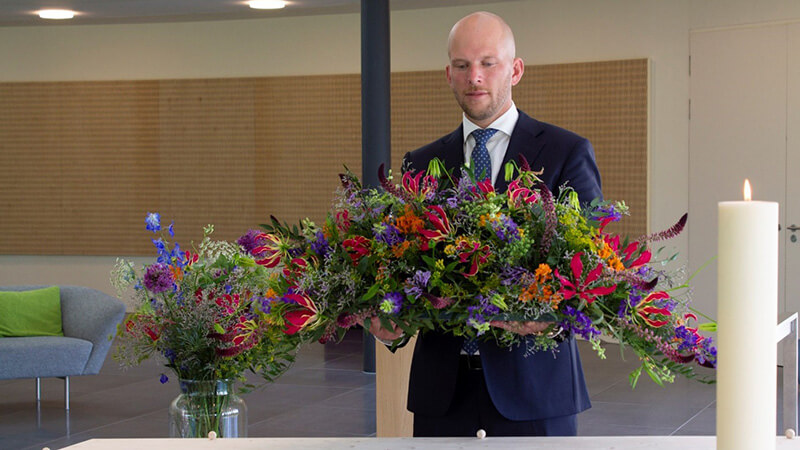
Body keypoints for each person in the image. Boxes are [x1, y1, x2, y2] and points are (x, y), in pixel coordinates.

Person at [366, 11, 602, 437]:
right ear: (448, 75)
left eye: (488, 63)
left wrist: (550, 313)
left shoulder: (566, 152)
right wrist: (385, 316)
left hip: (534, 389)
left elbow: (591, 266)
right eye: (462, 65)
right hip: (443, 392)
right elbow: (400, 267)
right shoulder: (420, 163)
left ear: (515, 70)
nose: (474, 76)